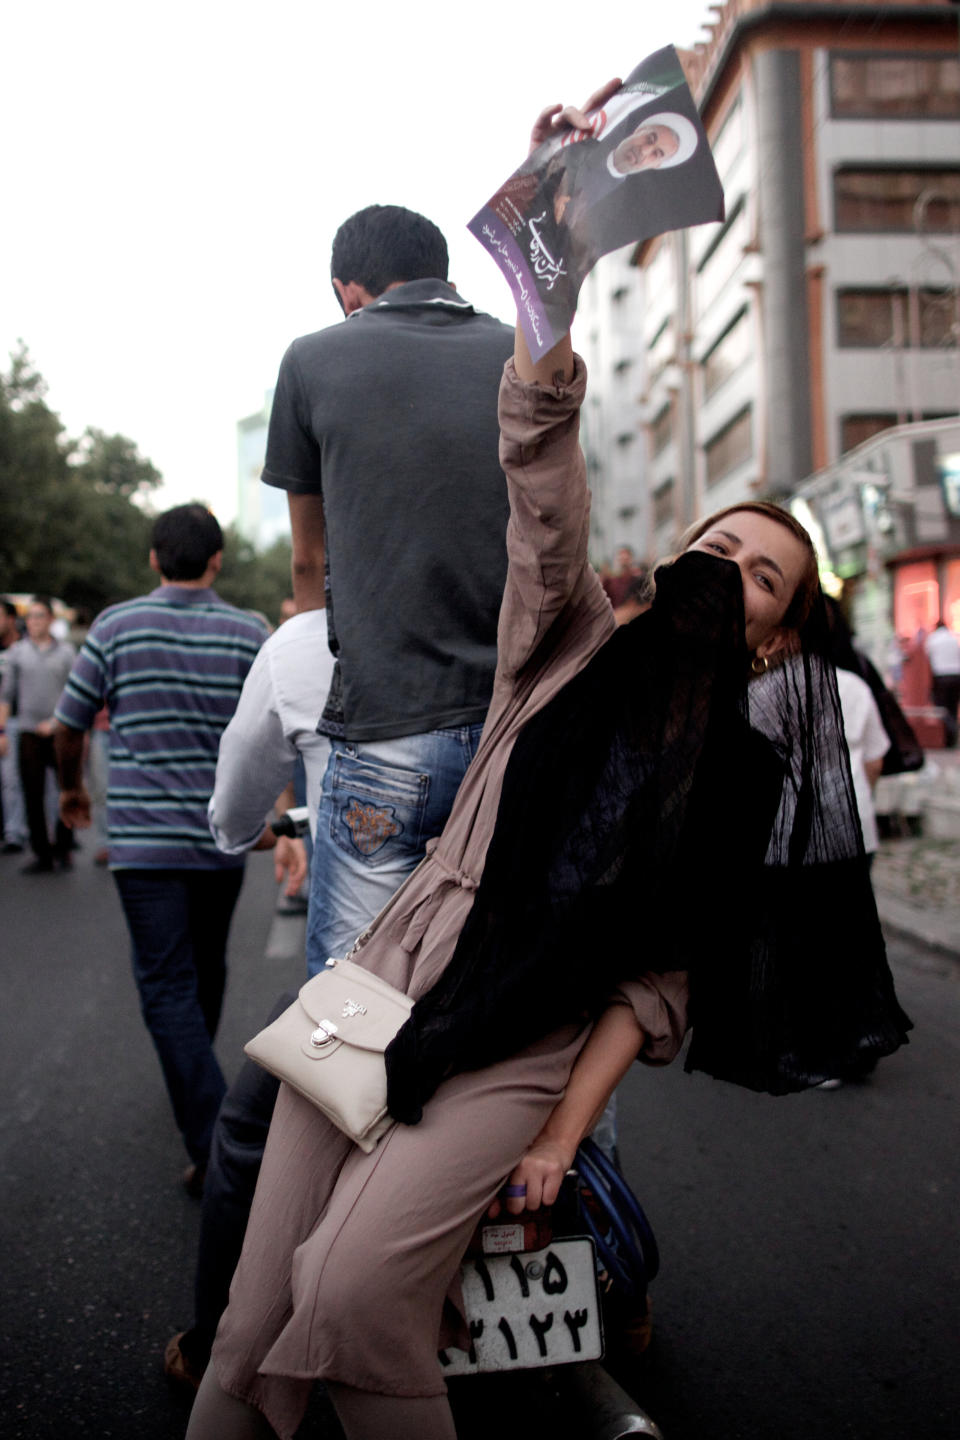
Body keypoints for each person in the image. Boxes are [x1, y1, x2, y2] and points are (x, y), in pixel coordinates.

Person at [183, 94, 910, 1440]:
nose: (727, 573)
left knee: (348, 1303)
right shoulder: (563, 641)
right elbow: (541, 480)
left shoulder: (744, 773)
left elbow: (655, 989)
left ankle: (571, 1299)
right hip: (386, 973)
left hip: (522, 1043)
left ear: (776, 636)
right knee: (252, 1319)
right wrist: (547, 287)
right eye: (721, 545)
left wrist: (561, 1137)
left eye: (764, 577)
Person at [263, 204, 514, 975]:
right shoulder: (518, 350)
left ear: (348, 291)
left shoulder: (311, 360)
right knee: (500, 985)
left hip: (387, 729)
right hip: (515, 730)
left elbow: (311, 560)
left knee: (353, 999)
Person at [53, 505, 268, 1188]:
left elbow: (68, 725)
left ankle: (217, 1140)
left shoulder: (114, 626)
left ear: (152, 559)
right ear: (217, 561)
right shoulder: (247, 633)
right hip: (219, 837)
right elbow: (267, 734)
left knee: (166, 985)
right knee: (204, 967)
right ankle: (197, 1073)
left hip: (144, 846)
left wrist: (70, 791)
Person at [0, 596, 76, 872]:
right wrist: (2, 732)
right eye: (30, 617)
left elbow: (75, 693)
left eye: (39, 616)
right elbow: (6, 696)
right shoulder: (17, 653)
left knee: (66, 788)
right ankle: (41, 852)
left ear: (50, 620)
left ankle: (64, 846)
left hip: (60, 730)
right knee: (32, 792)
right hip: (29, 730)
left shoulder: (66, 653)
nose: (34, 621)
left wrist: (58, 722)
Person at [0, 597, 28, 853]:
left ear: (10, 618)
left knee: (13, 779)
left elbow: (7, 695)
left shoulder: (22, 649)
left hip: (17, 720)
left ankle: (15, 831)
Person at [924, 619, 960, 748]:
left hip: (941, 676)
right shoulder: (953, 638)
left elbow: (926, 657)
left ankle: (949, 733)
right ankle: (952, 735)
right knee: (952, 707)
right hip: (956, 675)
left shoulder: (933, 639)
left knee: (942, 709)